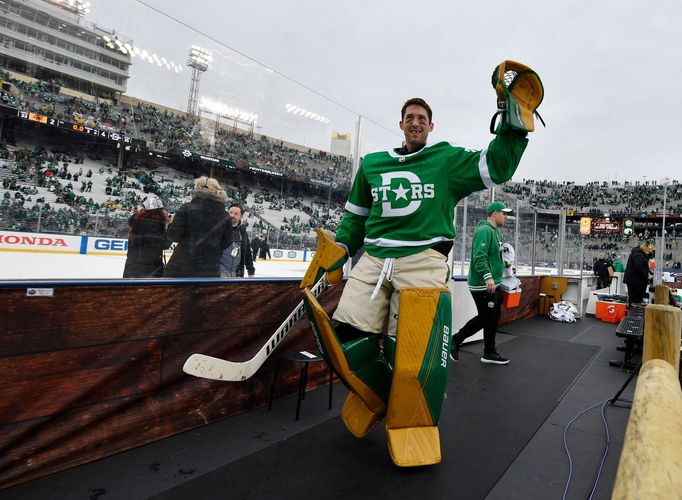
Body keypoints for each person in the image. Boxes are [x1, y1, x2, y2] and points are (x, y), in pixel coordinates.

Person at [450, 201, 514, 365]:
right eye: (503, 213)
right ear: (495, 214)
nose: (505, 217)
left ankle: (489, 352)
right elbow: (479, 257)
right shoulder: (484, 231)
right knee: (487, 318)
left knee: (493, 318)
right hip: (483, 284)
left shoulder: (495, 232)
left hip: (494, 283)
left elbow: (495, 256)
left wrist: (504, 264)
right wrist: (487, 276)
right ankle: (456, 340)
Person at [163, 176, 233, 277]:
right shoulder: (225, 216)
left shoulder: (187, 208)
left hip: (182, 267)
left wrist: (171, 224)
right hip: (210, 269)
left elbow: (174, 235)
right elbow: (227, 242)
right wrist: (211, 248)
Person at [122, 194, 172, 278]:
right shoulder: (150, 224)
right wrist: (172, 227)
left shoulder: (141, 222)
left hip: (137, 270)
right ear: (158, 210)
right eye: (166, 211)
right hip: (145, 272)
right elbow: (163, 244)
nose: (168, 214)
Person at [220, 203, 255, 278]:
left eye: (236, 214)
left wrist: (251, 271)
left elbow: (247, 253)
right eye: (231, 212)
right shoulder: (220, 229)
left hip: (236, 273)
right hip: (220, 272)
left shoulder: (242, 233)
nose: (232, 215)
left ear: (241, 216)